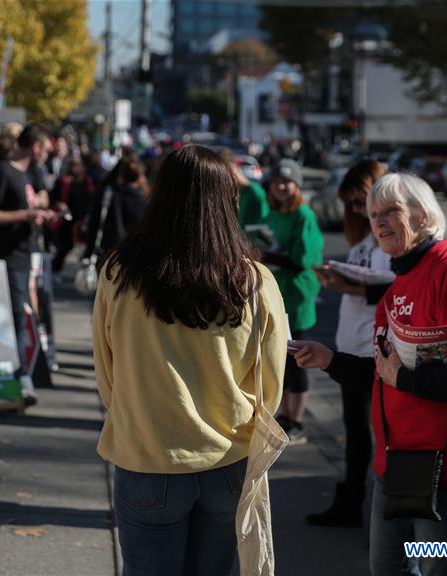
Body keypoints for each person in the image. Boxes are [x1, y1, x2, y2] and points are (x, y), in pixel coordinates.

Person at [293, 173, 447, 576]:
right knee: (388, 568)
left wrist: (404, 380)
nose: (380, 222)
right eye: (374, 215)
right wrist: (329, 360)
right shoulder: (397, 286)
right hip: (396, 464)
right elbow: (385, 372)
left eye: (392, 211)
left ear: (423, 216)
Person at [93, 145, 288, 574]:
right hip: (226, 461)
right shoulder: (254, 281)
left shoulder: (120, 273)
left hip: (146, 455)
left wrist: (132, 414)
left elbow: (106, 370)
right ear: (226, 202)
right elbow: (270, 386)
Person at [306, 159, 390, 528]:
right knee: (355, 430)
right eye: (351, 204)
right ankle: (352, 501)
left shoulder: (390, 236)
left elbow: (398, 288)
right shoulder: (362, 238)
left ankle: (383, 512)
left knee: (381, 432)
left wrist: (349, 285)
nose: (356, 211)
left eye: (361, 202)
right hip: (352, 346)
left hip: (377, 351)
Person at [0, 124, 57, 406]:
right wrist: (25, 214)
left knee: (19, 317)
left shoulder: (28, 174)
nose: (47, 155)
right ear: (35, 147)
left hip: (24, 255)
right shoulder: (2, 172)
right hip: (7, 257)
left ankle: (17, 377)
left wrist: (40, 212)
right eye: (46, 149)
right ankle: (19, 379)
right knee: (13, 318)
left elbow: (36, 199)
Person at [262, 159, 323, 444]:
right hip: (278, 292)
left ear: (296, 185)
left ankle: (297, 421)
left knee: (297, 359)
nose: (282, 187)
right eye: (277, 182)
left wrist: (269, 256)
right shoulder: (274, 212)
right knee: (279, 359)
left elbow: (304, 260)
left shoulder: (304, 215)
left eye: (287, 182)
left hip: (296, 295)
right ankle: (284, 416)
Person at [82, 152, 150, 268]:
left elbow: (95, 223)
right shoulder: (144, 200)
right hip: (133, 257)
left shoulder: (108, 194)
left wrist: (88, 251)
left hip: (108, 253)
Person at [49, 156, 95, 274]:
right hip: (67, 220)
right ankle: (54, 269)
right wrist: (60, 205)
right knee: (65, 246)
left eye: (78, 164)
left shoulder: (89, 182)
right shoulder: (63, 181)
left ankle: (85, 274)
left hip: (84, 220)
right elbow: (53, 198)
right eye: (72, 165)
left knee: (86, 248)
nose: (75, 168)